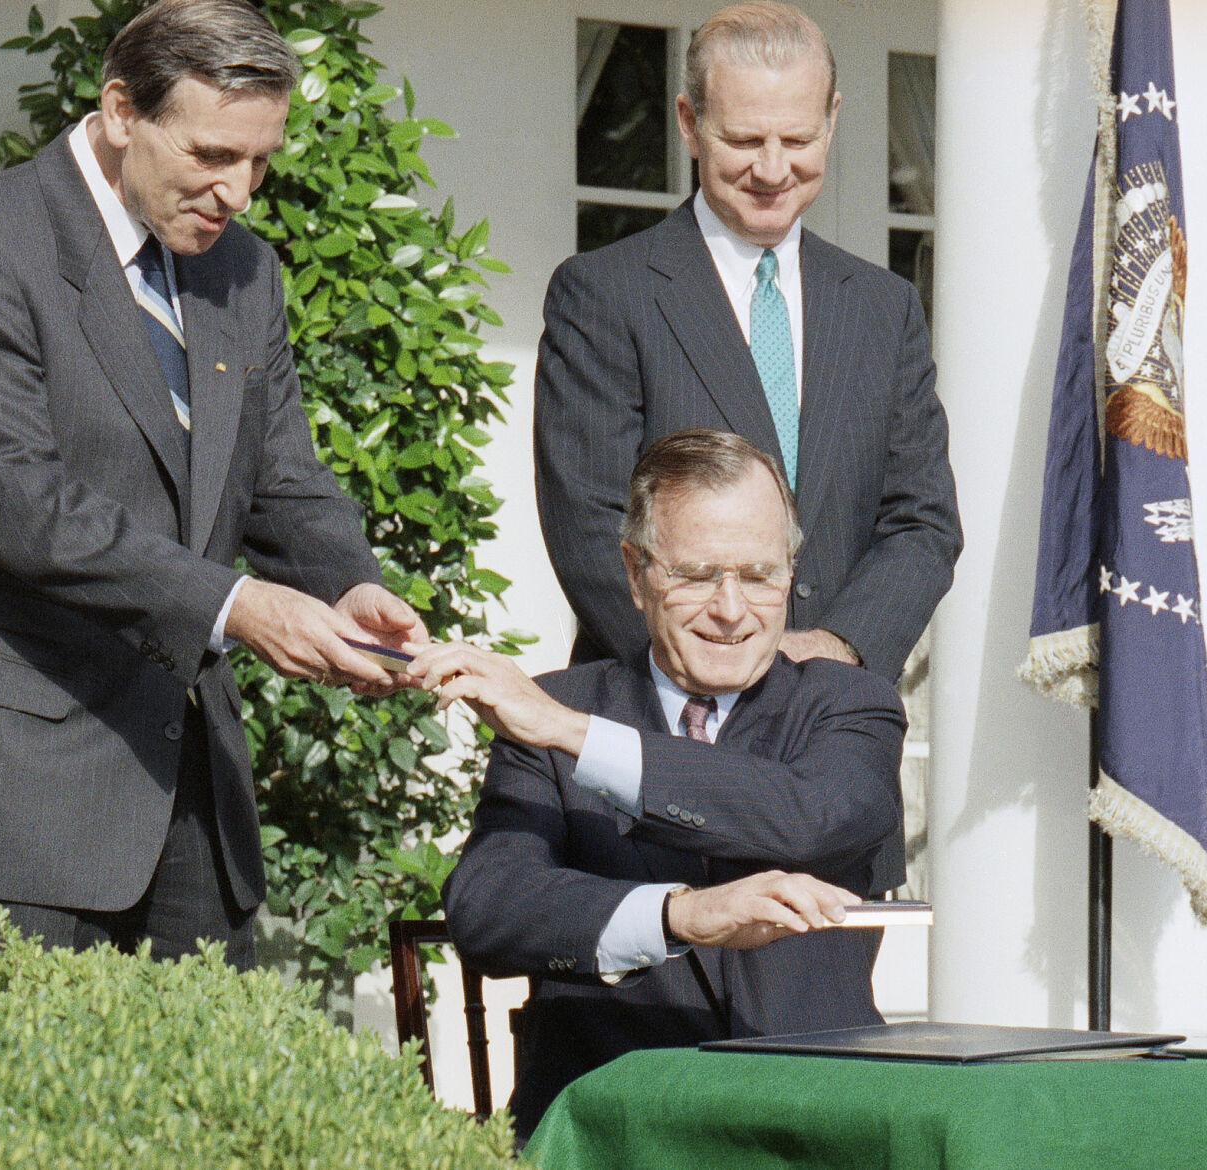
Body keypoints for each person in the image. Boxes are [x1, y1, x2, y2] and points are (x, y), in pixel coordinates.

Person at [0, 0, 425, 973]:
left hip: (191, 805)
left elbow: (284, 478)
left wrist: (351, 586)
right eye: (212, 155)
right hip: (12, 809)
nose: (239, 191)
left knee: (210, 1120)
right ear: (122, 110)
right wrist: (237, 606)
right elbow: (14, 498)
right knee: (13, 1123)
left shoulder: (244, 274)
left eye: (259, 160)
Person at [409, 430, 905, 1140]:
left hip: (817, 1126)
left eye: (761, 576)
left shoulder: (848, 704)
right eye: (698, 575)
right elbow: (488, 910)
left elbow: (812, 816)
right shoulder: (553, 708)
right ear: (635, 572)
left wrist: (575, 735)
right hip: (606, 1128)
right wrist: (677, 916)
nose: (732, 610)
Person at [535, 0, 962, 685]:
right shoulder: (604, 295)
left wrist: (839, 650)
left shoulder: (884, 308)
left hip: (836, 725)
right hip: (663, 723)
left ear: (831, 122)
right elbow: (591, 528)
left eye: (795, 141)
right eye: (744, 140)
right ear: (689, 124)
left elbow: (922, 520)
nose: (771, 170)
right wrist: (725, 678)